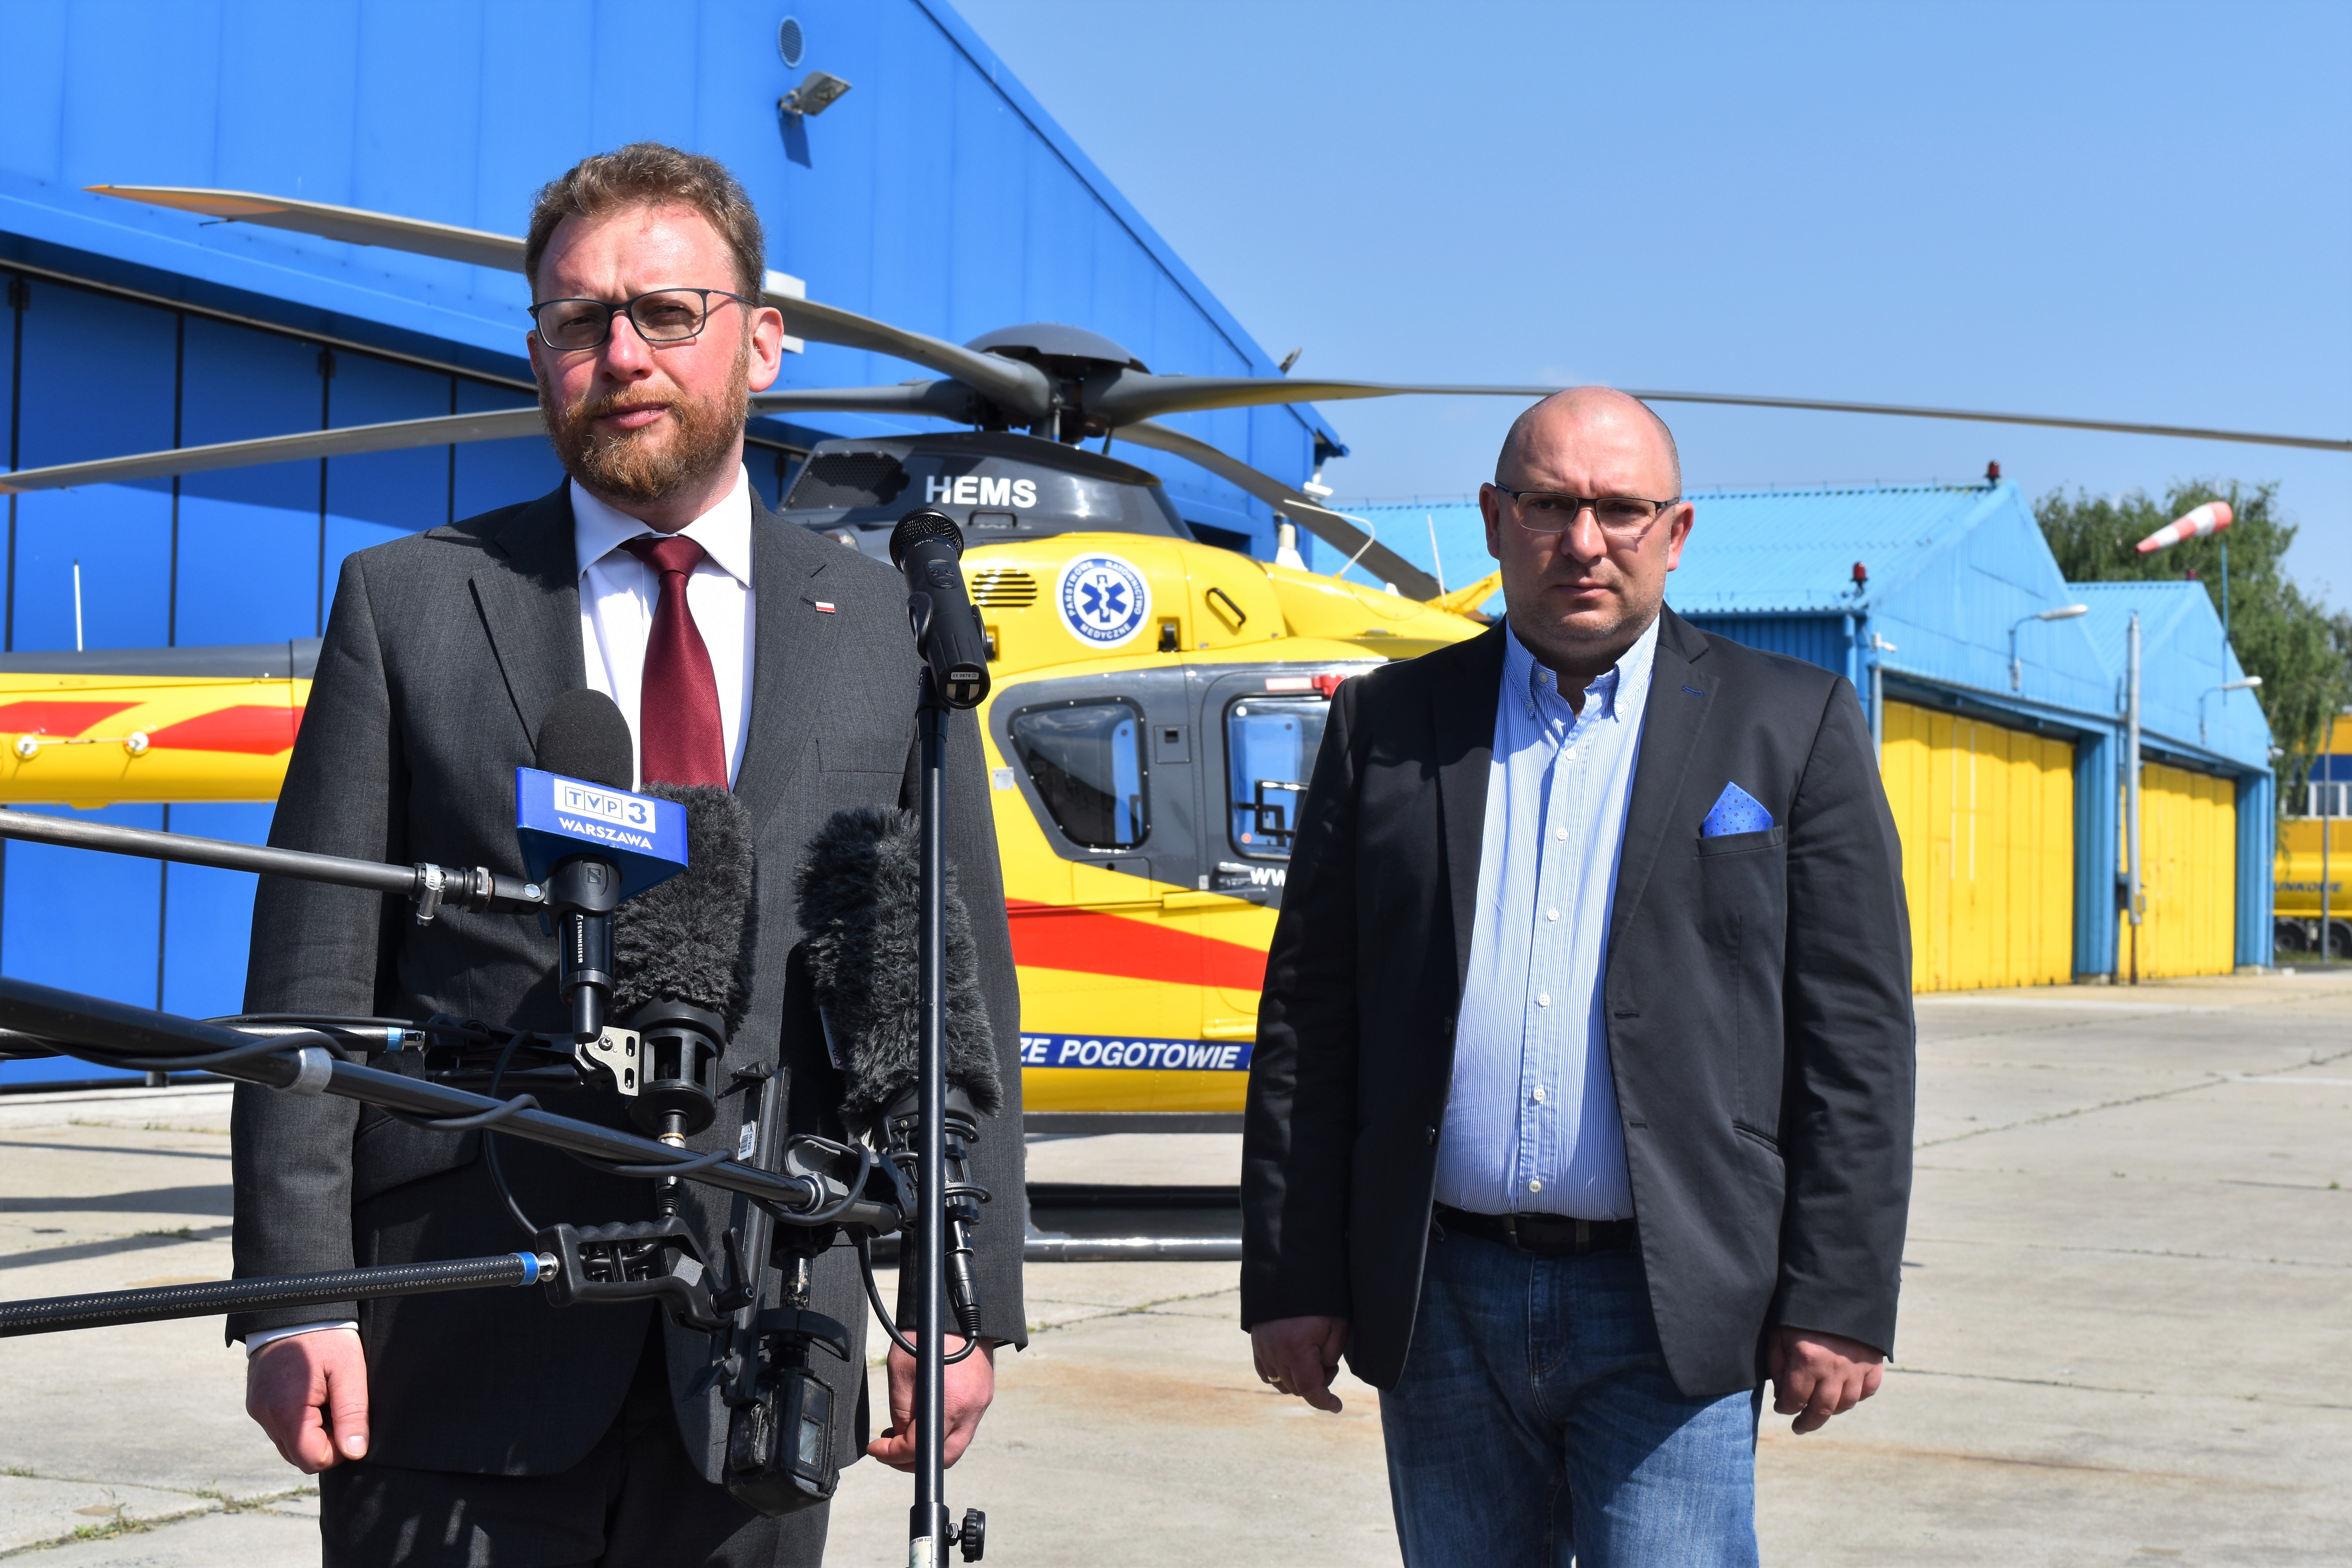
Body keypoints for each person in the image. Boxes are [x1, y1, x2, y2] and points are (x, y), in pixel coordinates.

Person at [229, 143, 1024, 1567]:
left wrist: (956, 1299)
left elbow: (947, 995)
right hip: (461, 1336)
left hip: (769, 1342)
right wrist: (297, 1299)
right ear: (539, 349)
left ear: (761, 344)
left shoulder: (886, 627)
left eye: (666, 312)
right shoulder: (411, 604)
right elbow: (311, 982)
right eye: (579, 319)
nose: (623, 355)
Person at [1241, 388, 1914, 1564]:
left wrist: (1838, 1297)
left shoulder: (1790, 723)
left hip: (1672, 1302)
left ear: (1677, 531)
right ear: (1495, 520)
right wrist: (1293, 1276)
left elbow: (1854, 1039)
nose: (1585, 541)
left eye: (1621, 509)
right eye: (1550, 506)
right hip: (1441, 1301)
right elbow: (1311, 1016)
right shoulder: (1388, 726)